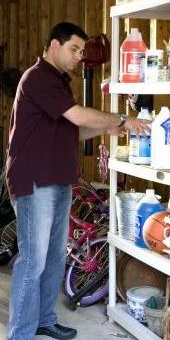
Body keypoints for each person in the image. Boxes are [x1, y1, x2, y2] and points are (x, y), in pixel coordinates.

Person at [5, 22, 151, 340]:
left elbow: (74, 128)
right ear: (53, 45)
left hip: (58, 179)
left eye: (82, 51)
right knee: (33, 259)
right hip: (34, 181)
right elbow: (79, 116)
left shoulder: (59, 82)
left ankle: (44, 319)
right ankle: (20, 332)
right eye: (74, 49)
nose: (78, 57)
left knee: (55, 255)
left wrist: (106, 128)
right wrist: (123, 119)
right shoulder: (38, 77)